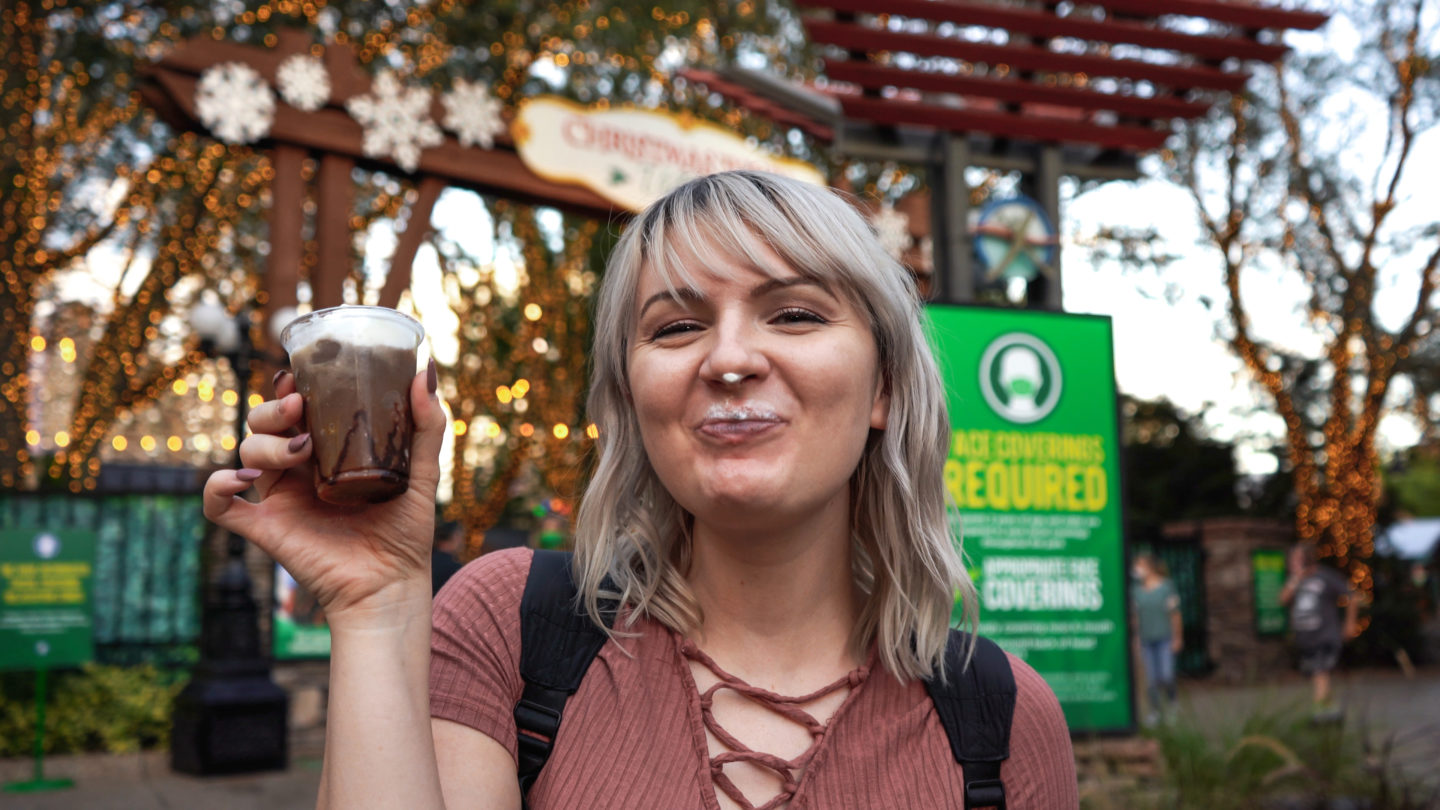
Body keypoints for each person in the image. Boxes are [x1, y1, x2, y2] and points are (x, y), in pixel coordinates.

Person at [203, 170, 1078, 809]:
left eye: (796, 314)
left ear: (884, 386)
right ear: (633, 396)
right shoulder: (513, 630)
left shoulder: (1000, 723)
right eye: (678, 326)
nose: (729, 360)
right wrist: (377, 604)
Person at [1279, 542, 1360, 719]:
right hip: (1305, 637)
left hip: (1325, 634)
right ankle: (1329, 707)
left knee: (1320, 671)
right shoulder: (1296, 580)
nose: (1292, 562)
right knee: (1317, 673)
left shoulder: (1325, 577)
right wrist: (1295, 579)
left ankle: (1319, 710)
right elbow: (1283, 600)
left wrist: (1350, 623)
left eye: (1297, 558)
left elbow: (1352, 596)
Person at [1129, 553, 1182, 724]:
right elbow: (1135, 617)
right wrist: (1136, 638)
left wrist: (1177, 637)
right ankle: (1155, 712)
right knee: (1151, 679)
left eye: (1140, 565)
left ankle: (1173, 705)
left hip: (1164, 639)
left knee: (1166, 675)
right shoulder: (1136, 590)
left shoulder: (1166, 587)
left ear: (1149, 567)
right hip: (1146, 640)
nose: (1137, 570)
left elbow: (1174, 614)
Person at [431, 520, 464, 596]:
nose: (462, 542)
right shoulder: (453, 567)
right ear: (455, 536)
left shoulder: (428, 560)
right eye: (461, 536)